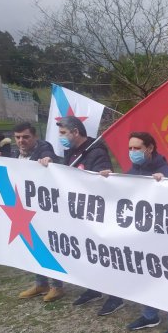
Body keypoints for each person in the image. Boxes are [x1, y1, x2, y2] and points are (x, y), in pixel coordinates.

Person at [99, 132, 168, 333]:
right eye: (130, 148)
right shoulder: (134, 171)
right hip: (142, 235)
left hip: (164, 238)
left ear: (150, 148)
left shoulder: (166, 172)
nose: (132, 152)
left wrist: (165, 184)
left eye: (137, 148)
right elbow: (124, 192)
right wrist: (108, 180)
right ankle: (149, 315)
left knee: (167, 278)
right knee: (144, 275)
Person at [39, 115, 124, 316]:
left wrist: (100, 176)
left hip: (96, 215)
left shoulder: (96, 152)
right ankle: (94, 289)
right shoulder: (72, 151)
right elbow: (67, 171)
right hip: (78, 214)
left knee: (103, 256)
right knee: (88, 254)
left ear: (75, 132)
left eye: (63, 133)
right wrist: (51, 161)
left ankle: (115, 297)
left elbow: (102, 181)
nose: (60, 137)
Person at [0, 122, 64, 302]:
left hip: (45, 211)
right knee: (32, 245)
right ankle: (41, 283)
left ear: (35, 137)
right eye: (18, 137)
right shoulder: (15, 154)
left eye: (26, 137)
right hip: (24, 210)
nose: (21, 140)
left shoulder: (43, 148)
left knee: (49, 247)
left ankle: (57, 286)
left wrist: (48, 160)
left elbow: (49, 155)